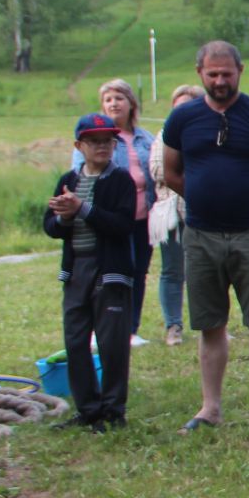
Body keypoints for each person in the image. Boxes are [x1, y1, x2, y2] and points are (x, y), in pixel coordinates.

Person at [160, 41, 249, 434]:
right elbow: (171, 173)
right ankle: (210, 407)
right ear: (200, 73)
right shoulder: (182, 119)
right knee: (209, 324)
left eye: (227, 74)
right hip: (200, 235)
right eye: (212, 74)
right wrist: (204, 201)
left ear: (241, 71)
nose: (220, 81)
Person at [44, 112, 137, 431]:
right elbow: (51, 227)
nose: (102, 147)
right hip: (76, 270)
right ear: (78, 145)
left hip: (109, 270)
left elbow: (123, 224)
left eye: (108, 141)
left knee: (112, 343)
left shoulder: (120, 179)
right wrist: (64, 218)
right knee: (75, 339)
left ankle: (113, 411)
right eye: (94, 141)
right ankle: (88, 409)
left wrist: (82, 209)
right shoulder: (67, 181)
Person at [72, 78, 155, 346]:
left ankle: (130, 329)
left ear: (131, 103)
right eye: (108, 100)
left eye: (119, 98)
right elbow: (79, 175)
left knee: (138, 272)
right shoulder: (92, 141)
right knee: (108, 273)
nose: (113, 104)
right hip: (109, 219)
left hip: (143, 218)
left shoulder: (146, 139)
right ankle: (101, 328)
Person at [147, 84, 200, 346]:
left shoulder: (208, 133)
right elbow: (158, 170)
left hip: (201, 213)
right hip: (170, 214)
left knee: (202, 271)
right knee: (171, 271)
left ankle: (209, 325)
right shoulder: (164, 134)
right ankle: (173, 326)